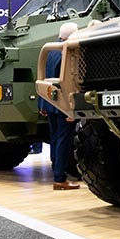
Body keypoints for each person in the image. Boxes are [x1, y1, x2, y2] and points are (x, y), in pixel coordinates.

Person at [38, 22, 81, 190]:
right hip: (62, 104)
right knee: (64, 139)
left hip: (49, 101)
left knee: (55, 138)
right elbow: (68, 81)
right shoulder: (67, 51)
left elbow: (43, 76)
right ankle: (59, 178)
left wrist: (41, 102)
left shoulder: (49, 50)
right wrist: (71, 108)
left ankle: (56, 170)